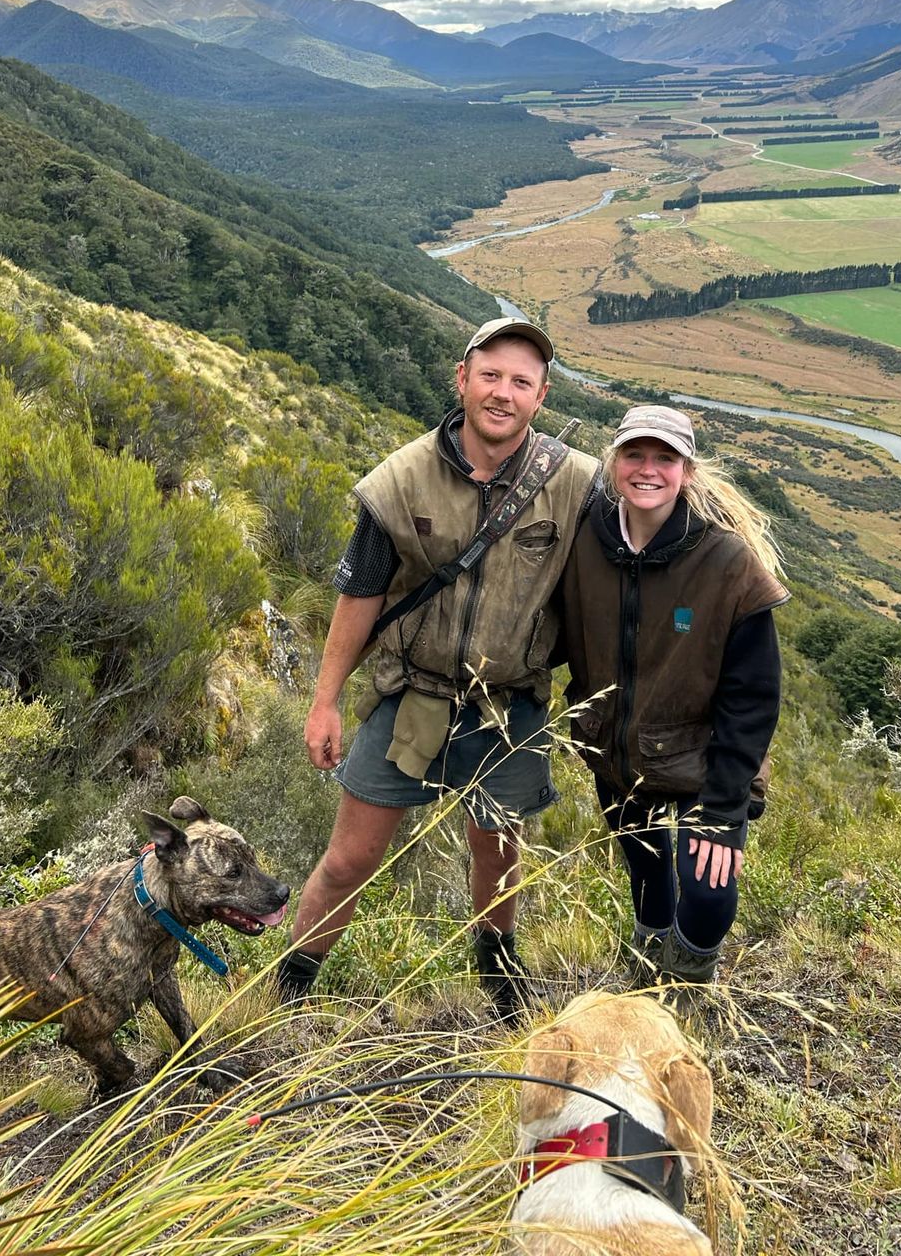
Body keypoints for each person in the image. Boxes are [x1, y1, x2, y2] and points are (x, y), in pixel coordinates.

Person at [277, 317, 599, 1017]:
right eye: (491, 375)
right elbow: (360, 592)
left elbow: (627, 557)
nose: (503, 393)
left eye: (521, 382)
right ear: (462, 379)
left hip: (508, 705)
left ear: (541, 396)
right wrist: (325, 700)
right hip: (411, 696)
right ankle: (288, 989)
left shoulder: (577, 484)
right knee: (350, 861)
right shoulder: (404, 478)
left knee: (497, 856)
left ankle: (500, 986)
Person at [557, 404, 788, 991]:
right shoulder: (586, 543)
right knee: (645, 869)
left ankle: (685, 989)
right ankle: (647, 976)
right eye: (635, 454)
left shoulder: (726, 561)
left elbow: (754, 696)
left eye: (665, 458)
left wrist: (724, 806)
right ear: (614, 463)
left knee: (709, 890)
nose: (648, 470)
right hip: (618, 753)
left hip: (704, 760)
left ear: (686, 469)